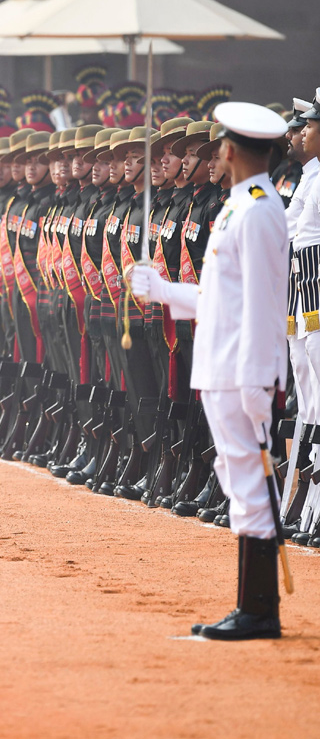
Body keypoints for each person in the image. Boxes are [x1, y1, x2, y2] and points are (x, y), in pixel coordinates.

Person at [129, 101, 290, 640]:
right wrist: (164, 291)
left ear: (231, 150)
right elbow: (221, 297)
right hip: (221, 367)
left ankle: (259, 610)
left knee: (249, 484)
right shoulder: (237, 207)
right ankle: (250, 605)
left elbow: (268, 304)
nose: (215, 155)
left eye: (219, 147)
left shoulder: (261, 209)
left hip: (241, 371)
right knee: (238, 481)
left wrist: (259, 378)